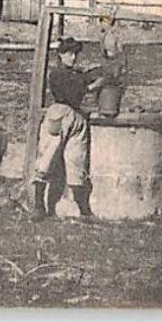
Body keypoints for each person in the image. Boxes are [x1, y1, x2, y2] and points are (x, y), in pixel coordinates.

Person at [31, 37, 102, 220]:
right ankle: (39, 206)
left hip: (76, 118)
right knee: (46, 159)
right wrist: (92, 86)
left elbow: (82, 81)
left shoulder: (75, 74)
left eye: (76, 54)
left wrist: (98, 76)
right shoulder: (57, 74)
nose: (73, 57)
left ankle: (84, 212)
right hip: (59, 114)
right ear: (61, 54)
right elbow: (73, 92)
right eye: (69, 53)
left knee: (76, 162)